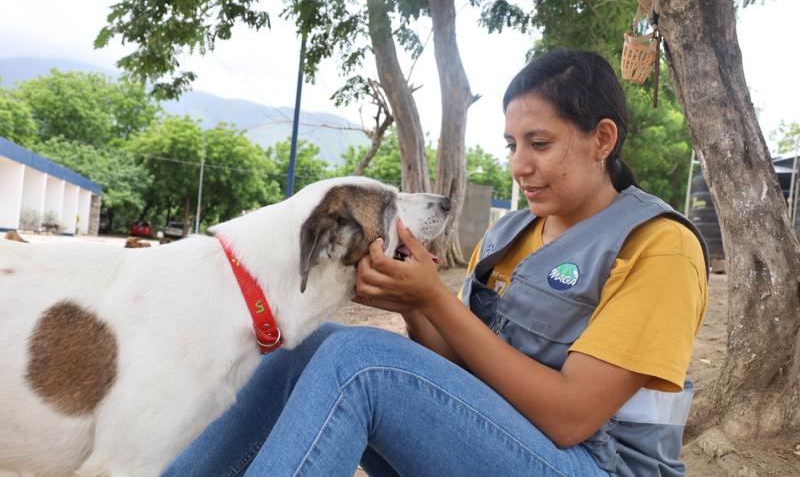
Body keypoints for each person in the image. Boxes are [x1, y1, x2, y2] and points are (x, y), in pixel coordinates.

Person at [165, 49, 708, 477]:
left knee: (362, 362)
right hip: (508, 444)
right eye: (511, 144)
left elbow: (570, 419)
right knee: (309, 348)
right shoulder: (511, 233)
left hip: (592, 464)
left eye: (539, 143)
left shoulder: (658, 247)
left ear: (602, 139)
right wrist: (412, 302)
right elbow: (458, 371)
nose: (520, 165)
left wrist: (432, 301)